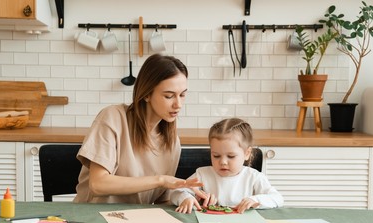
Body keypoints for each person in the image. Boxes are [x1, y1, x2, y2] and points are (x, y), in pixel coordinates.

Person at [73, 54, 203, 204]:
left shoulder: (172, 142)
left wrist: (185, 199)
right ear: (147, 94)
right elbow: (98, 184)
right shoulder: (112, 118)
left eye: (183, 95)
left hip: (137, 221)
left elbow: (162, 201)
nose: (178, 104)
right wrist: (160, 180)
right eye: (169, 96)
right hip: (95, 218)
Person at [171, 118, 284, 213]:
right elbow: (176, 192)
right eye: (216, 156)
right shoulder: (202, 174)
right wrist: (186, 198)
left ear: (247, 153)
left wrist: (255, 200)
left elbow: (278, 199)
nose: (223, 162)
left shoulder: (254, 177)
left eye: (231, 156)